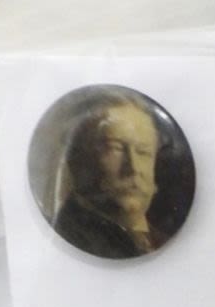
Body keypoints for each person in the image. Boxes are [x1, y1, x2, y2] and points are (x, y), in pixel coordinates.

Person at [53, 92, 166, 259]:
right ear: (77, 159)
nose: (134, 168)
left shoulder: (165, 244)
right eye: (115, 148)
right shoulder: (67, 242)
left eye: (144, 152)